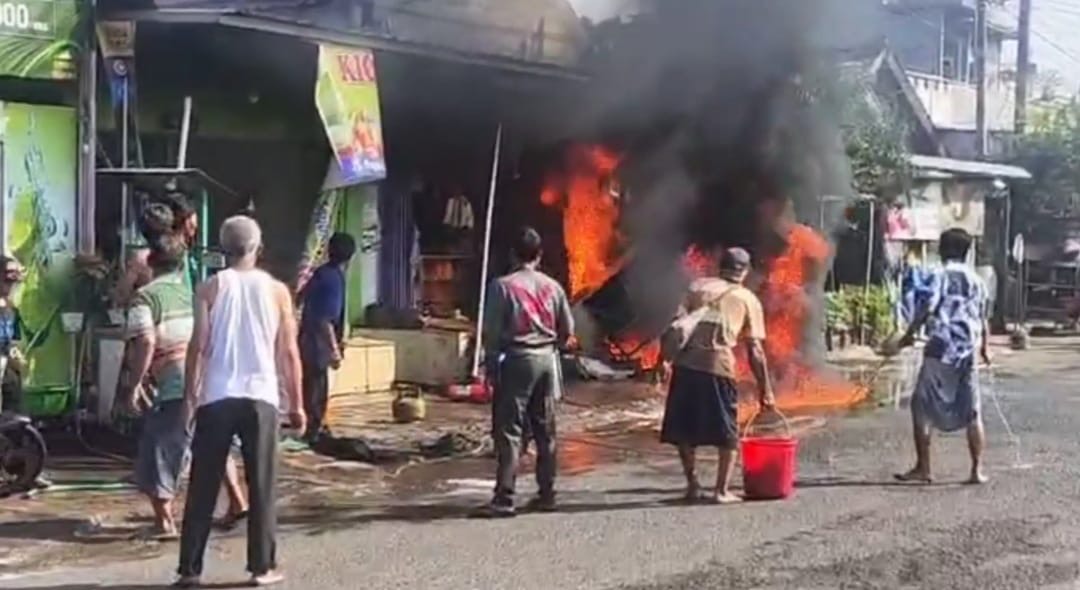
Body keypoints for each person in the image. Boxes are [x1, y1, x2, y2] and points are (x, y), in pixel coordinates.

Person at [176, 216, 305, 588]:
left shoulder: (209, 288)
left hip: (216, 396)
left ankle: (190, 570)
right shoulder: (278, 291)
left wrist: (189, 397)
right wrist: (296, 403)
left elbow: (198, 346)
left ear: (223, 247)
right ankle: (261, 568)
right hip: (261, 398)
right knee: (262, 484)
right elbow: (289, 352)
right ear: (257, 246)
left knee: (203, 483)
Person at [661, 247, 775, 504]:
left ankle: (692, 486)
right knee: (727, 431)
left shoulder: (697, 287)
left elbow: (674, 325)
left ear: (719, 266)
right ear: (744, 271)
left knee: (683, 428)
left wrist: (663, 360)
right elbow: (755, 350)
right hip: (718, 367)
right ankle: (721, 491)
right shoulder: (747, 299)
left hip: (685, 365)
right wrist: (765, 390)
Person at [474, 227, 573, 518]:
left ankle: (504, 498)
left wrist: (490, 367)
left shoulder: (502, 286)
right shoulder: (553, 287)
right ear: (539, 256)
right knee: (546, 430)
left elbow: (491, 333)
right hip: (546, 361)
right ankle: (547, 494)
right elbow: (567, 331)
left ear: (513, 255)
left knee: (509, 430)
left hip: (516, 360)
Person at [893, 228, 991, 486]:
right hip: (967, 348)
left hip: (940, 347)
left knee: (920, 406)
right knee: (972, 411)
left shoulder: (938, 274)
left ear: (942, 249)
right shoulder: (977, 281)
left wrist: (909, 333)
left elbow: (928, 306)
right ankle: (976, 471)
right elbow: (983, 318)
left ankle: (924, 468)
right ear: (967, 251)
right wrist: (984, 348)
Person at [118, 236, 194, 540]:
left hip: (173, 384)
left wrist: (134, 385)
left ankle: (165, 523)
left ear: (150, 263)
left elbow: (146, 341)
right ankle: (234, 506)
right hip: (201, 382)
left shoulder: (145, 298)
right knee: (188, 448)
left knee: (157, 451)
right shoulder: (190, 294)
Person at [298, 232, 356, 441]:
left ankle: (311, 428)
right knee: (317, 390)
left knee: (312, 388)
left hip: (306, 340)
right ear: (350, 257)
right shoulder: (334, 280)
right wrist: (333, 349)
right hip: (317, 345)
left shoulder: (321, 273)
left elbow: (301, 298)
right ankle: (313, 432)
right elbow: (325, 320)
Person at [0, 256, 26, 413]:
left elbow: (14, 339)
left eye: (12, 284)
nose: (10, 287)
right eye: (7, 282)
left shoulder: (12, 310)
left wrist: (14, 352)